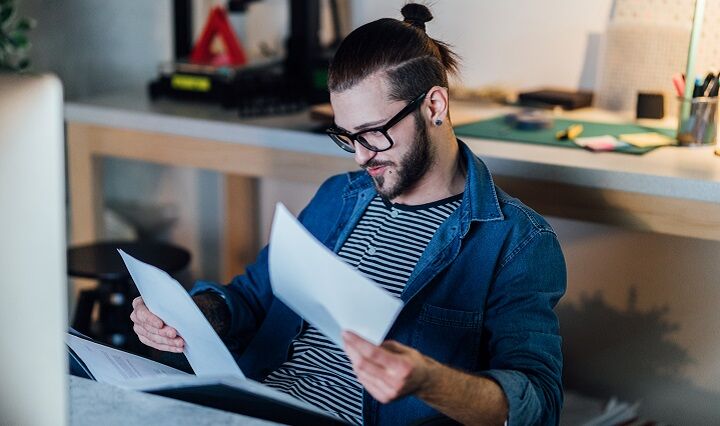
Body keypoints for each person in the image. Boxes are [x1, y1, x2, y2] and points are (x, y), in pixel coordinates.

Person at [130, 4, 566, 425]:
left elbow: (539, 403)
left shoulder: (517, 242)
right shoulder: (338, 197)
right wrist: (191, 313)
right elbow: (251, 296)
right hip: (252, 400)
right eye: (346, 136)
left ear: (434, 106)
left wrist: (429, 382)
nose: (360, 157)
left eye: (372, 133)